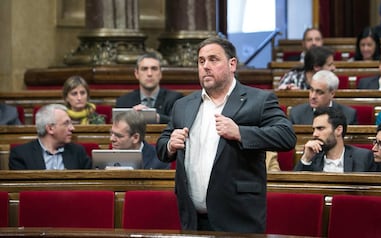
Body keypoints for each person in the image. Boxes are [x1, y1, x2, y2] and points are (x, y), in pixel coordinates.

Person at [156, 37, 296, 233]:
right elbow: (162, 144)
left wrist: (240, 133)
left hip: (238, 218)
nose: (205, 66)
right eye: (201, 61)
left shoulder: (259, 100)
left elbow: (286, 136)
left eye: (213, 59)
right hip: (193, 220)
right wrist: (170, 145)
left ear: (232, 64)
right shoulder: (183, 105)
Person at [294, 107, 378, 172]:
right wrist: (306, 159)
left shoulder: (363, 157)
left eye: (320, 128)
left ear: (338, 130)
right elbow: (294, 188)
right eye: (314, 129)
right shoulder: (312, 158)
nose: (314, 134)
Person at [9, 104, 91, 170]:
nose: (72, 128)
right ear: (50, 128)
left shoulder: (78, 152)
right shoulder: (21, 155)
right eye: (66, 124)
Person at [115, 53, 183, 124]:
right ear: (136, 74)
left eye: (154, 68)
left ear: (160, 73)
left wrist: (156, 117)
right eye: (144, 69)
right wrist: (130, 117)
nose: (149, 74)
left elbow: (179, 122)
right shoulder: (123, 101)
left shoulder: (175, 99)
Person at [289, 70, 357, 125]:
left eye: (319, 92)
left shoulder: (348, 115)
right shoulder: (296, 114)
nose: (313, 96)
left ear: (332, 94)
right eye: (311, 90)